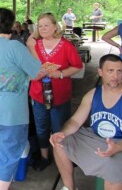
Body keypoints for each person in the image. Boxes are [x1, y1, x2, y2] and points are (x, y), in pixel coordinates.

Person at [0, 8, 43, 190]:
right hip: (10, 114)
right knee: (8, 156)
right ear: (11, 25)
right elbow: (37, 71)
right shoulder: (15, 47)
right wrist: (32, 46)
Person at [50, 54, 122, 190]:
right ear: (100, 72)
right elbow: (75, 121)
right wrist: (62, 133)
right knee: (59, 143)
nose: (115, 76)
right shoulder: (93, 94)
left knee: (112, 179)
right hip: (95, 138)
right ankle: (69, 187)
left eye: (119, 71)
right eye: (110, 71)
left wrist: (118, 147)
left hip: (121, 143)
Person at [27, 13, 83, 171]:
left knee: (60, 127)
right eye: (40, 25)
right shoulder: (36, 45)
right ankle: (45, 157)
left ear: (54, 26)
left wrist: (60, 74)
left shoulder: (66, 45)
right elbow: (31, 64)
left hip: (59, 96)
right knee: (41, 127)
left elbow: (77, 66)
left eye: (46, 25)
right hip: (38, 94)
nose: (43, 28)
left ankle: (64, 157)